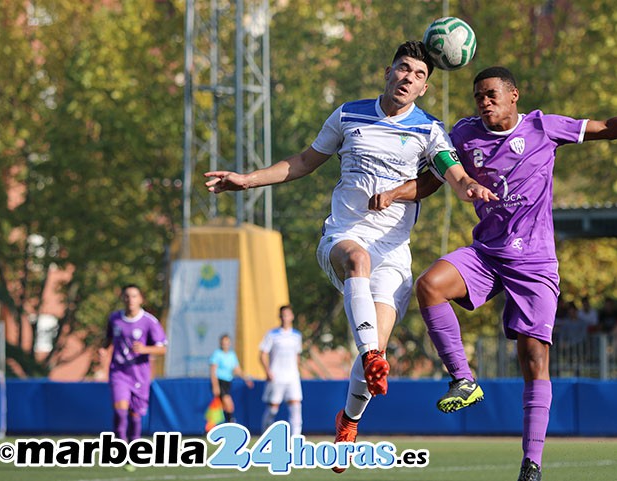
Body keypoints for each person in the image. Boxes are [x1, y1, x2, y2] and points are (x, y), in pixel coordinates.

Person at [203, 41, 496, 472]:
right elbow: (304, 161)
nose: (407, 78)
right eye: (403, 69)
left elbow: (450, 172)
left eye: (418, 75)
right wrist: (246, 181)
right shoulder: (348, 114)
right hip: (343, 236)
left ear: (424, 89)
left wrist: (467, 185)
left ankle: (349, 418)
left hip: (394, 253)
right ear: (387, 72)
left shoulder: (431, 130)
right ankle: (373, 357)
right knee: (358, 266)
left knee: (369, 352)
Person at [378, 66, 617, 481]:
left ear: (513, 94)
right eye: (478, 96)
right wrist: (396, 193)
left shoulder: (543, 127)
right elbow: (434, 180)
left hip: (534, 263)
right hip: (486, 252)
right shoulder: (464, 135)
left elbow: (606, 127)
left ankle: (531, 464)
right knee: (430, 285)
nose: (484, 102)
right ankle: (463, 379)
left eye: (491, 94)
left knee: (534, 358)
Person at [102, 284, 167, 446]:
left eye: (134, 296)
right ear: (122, 298)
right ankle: (120, 443)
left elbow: (163, 349)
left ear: (140, 299)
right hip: (119, 371)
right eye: (127, 296)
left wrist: (145, 349)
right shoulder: (114, 319)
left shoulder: (149, 322)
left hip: (139, 374)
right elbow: (108, 339)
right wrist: (103, 349)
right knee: (120, 410)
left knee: (135, 415)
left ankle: (135, 444)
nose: (130, 299)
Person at [259, 305, 303, 436]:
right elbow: (262, 354)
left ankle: (295, 438)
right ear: (280, 317)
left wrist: (297, 371)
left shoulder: (296, 335)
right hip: (277, 376)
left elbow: (297, 355)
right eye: (283, 315)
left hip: (292, 377)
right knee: (273, 408)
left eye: (288, 315)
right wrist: (268, 371)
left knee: (296, 406)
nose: (285, 318)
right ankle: (266, 436)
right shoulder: (272, 334)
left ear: (292, 316)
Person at [209, 334, 254, 424]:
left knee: (223, 407)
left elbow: (237, 369)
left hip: (228, 382)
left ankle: (212, 426)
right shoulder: (217, 354)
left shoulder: (232, 355)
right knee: (229, 405)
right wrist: (215, 386)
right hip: (220, 381)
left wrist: (246, 378)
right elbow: (213, 371)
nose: (225, 344)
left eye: (227, 342)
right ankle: (231, 423)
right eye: (223, 343)